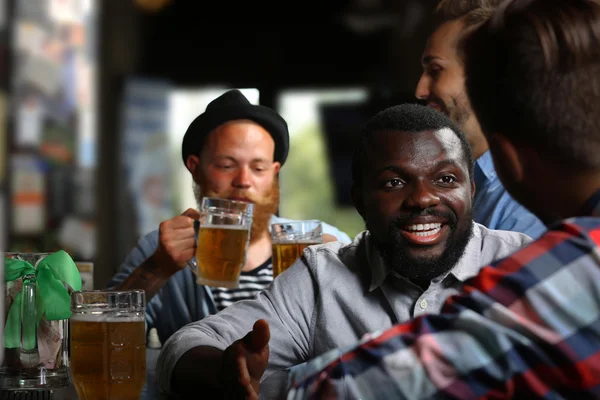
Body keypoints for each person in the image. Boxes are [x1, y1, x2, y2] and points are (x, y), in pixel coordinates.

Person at [287, 0, 600, 398]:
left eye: (435, 69)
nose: (423, 199)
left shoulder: (573, 267)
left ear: (508, 160)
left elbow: (355, 388)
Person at [155, 103, 533, 398]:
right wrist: (225, 370)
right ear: (359, 201)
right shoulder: (321, 277)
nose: (422, 199)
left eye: (446, 179)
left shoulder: (526, 265)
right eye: (394, 182)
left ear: (472, 191)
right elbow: (183, 347)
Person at [108, 90, 352, 342]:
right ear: (195, 168)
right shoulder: (161, 249)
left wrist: (337, 278)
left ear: (274, 172)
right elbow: (101, 337)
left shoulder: (322, 242)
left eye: (258, 168)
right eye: (226, 166)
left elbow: (371, 333)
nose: (244, 181)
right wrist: (156, 269)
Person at [415, 0, 546, 239]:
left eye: (435, 71)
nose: (420, 90)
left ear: (485, 74)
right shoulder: (469, 184)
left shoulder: (525, 203)